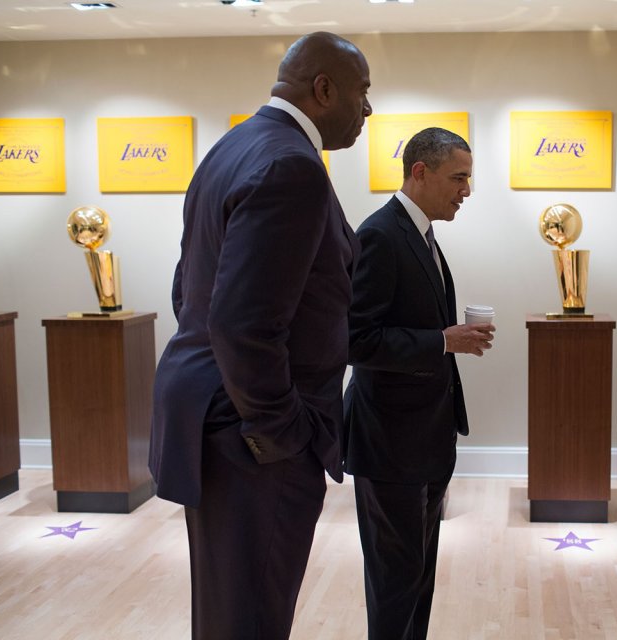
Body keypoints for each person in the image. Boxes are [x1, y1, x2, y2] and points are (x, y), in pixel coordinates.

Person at [148, 32, 372, 640]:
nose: (369, 110)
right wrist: (283, 431)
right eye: (363, 92)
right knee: (251, 617)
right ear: (323, 90)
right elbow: (240, 322)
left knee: (230, 610)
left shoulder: (234, 146)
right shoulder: (291, 164)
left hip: (215, 420)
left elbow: (188, 289)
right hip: (251, 441)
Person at [343, 127, 495, 640]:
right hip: (390, 446)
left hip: (424, 441)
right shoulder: (380, 235)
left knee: (417, 577)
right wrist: (441, 342)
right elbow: (355, 341)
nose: (466, 191)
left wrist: (452, 340)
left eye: (468, 178)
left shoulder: (422, 234)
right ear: (419, 172)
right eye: (459, 178)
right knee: (395, 581)